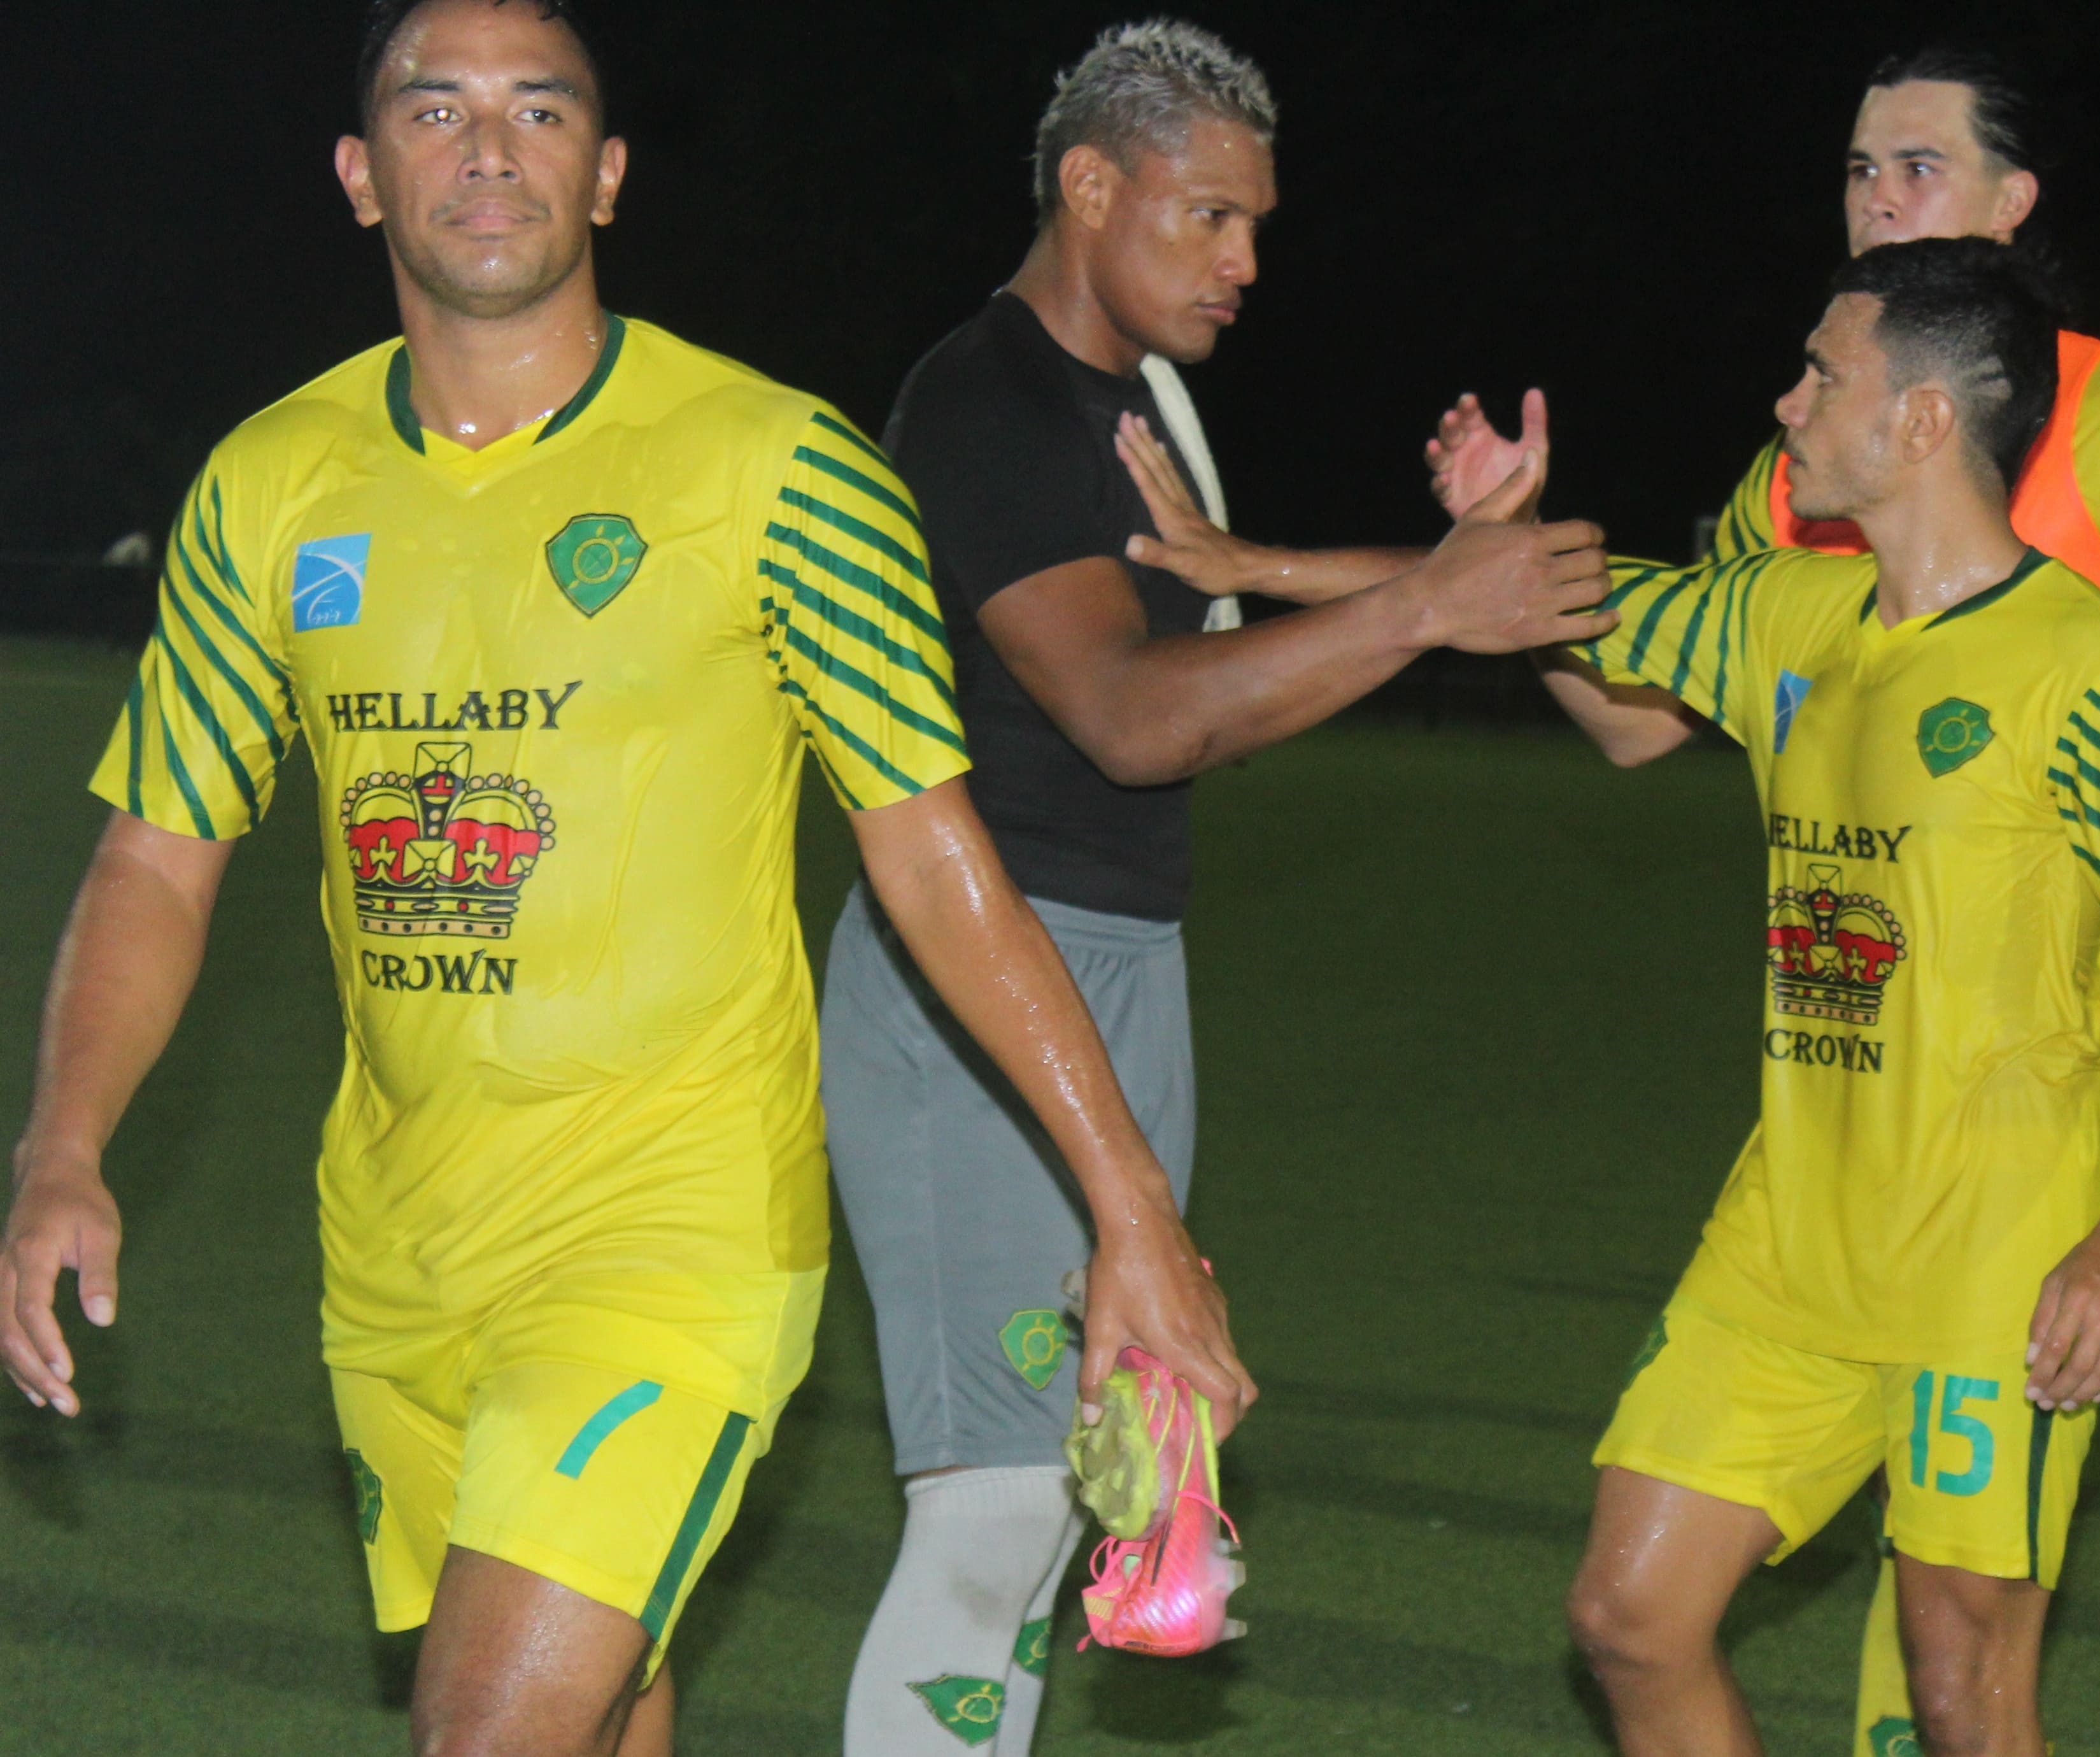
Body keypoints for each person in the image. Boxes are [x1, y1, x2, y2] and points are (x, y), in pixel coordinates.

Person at [0, 4, 1247, 1754]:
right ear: (363, 179)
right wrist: (63, 1148)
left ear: (607, 171)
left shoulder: (781, 472)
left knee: (486, 1732)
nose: (489, 148)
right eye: (437, 110)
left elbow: (935, 857)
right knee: (597, 1707)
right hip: (398, 1250)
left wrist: (1128, 1213)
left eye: (539, 110)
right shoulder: (268, 489)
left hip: (670, 1237)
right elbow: (158, 851)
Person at [1436, 51, 2100, 1756]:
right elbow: (1651, 710)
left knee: (2039, 1557)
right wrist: (1439, 573)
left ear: (2014, 208)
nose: (1874, 199)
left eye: (1916, 168)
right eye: (1856, 170)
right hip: (1866, 1069)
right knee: (1890, 1647)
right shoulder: (1811, 449)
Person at [820, 22, 1615, 1755]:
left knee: (1087, 1487)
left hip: (1124, 966)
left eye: (1258, 224)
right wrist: (1425, 609)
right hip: (974, 986)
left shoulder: (1144, 408)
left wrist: (1449, 570)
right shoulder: (987, 405)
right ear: (1090, 186)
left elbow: (1219, 693)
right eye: (1209, 217)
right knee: (992, 1510)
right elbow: (1124, 719)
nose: (1246, 261)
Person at [1545, 236, 2100, 1757]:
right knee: (1627, 1615)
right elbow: (1568, 617)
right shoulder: (1790, 617)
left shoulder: (2081, 662)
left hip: (1993, 1256)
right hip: (1791, 1234)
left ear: (1924, 422)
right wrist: (1285, 567)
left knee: (1961, 1687)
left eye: (1823, 372)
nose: (1788, 401)